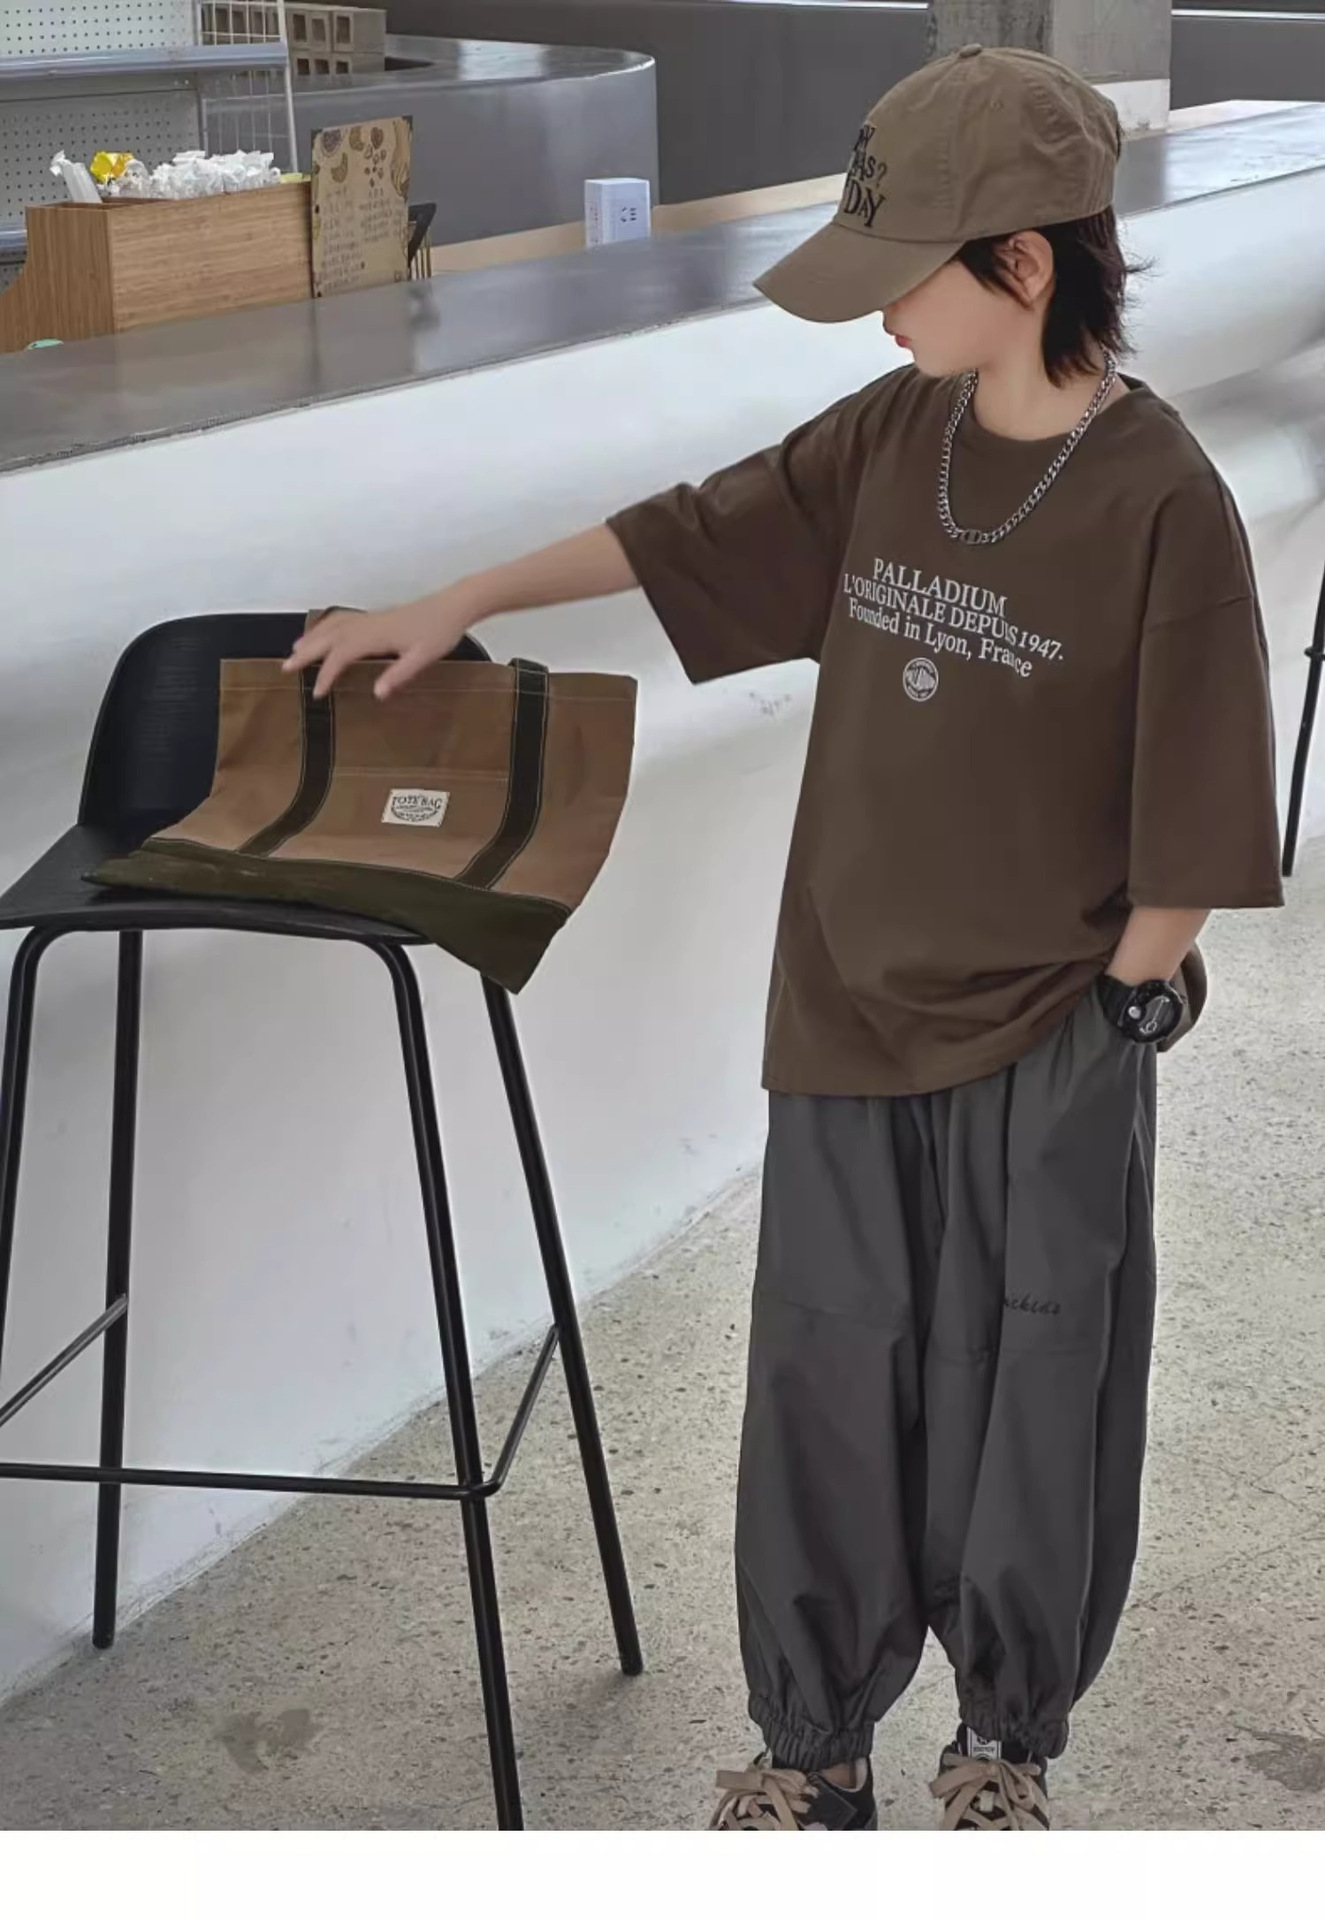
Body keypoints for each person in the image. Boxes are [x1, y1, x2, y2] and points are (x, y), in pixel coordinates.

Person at [287, 47, 1283, 1831]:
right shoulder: (893, 437)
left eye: (902, 276)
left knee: (1032, 1382)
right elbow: (686, 532)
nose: (876, 313)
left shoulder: (1158, 499)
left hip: (1051, 1025)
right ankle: (813, 1746)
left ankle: (999, 1745)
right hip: (842, 1001)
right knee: (828, 1369)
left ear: (1023, 265)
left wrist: (1122, 1010)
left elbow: (1199, 812)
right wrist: (458, 600)